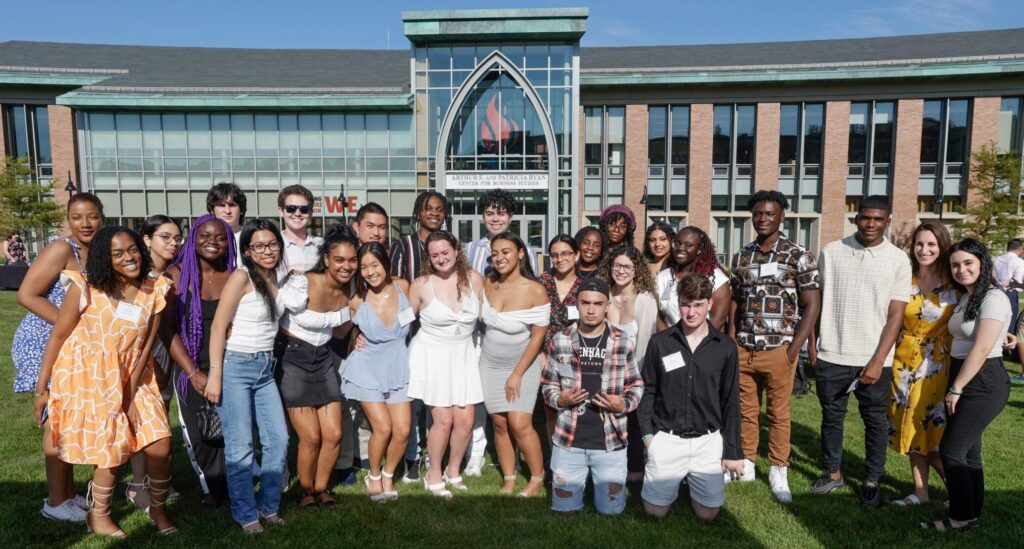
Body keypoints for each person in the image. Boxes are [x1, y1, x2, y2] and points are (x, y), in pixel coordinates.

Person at [33, 226, 176, 537]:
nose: (129, 257)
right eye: (118, 254)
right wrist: (43, 388)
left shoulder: (156, 288)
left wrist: (127, 393)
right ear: (104, 258)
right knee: (110, 446)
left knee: (161, 443)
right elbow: (59, 335)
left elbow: (147, 346)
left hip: (135, 375)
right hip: (89, 375)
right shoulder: (86, 287)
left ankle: (158, 509)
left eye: (132, 249)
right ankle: (99, 515)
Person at [811, 195, 910, 507]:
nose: (871, 224)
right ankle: (832, 474)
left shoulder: (898, 259)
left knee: (876, 420)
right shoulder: (831, 252)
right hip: (832, 353)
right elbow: (817, 301)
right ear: (855, 218)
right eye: (866, 218)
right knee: (832, 417)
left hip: (875, 358)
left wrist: (878, 360)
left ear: (888, 221)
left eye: (878, 219)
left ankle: (871, 480)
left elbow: (896, 314)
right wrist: (814, 348)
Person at [13, 192, 103, 522]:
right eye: (77, 217)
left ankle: (66, 494)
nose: (85, 223)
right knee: (55, 419)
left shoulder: (96, 252)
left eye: (91, 216)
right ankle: (55, 501)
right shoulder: (61, 249)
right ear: (68, 219)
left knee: (65, 416)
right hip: (44, 339)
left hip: (70, 342)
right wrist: (70, 324)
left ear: (101, 217)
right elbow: (26, 294)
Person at [728, 191, 821, 502]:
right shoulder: (742, 256)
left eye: (769, 213)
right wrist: (731, 338)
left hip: (779, 348)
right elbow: (735, 302)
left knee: (778, 413)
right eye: (758, 213)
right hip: (744, 346)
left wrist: (794, 349)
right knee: (746, 411)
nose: (763, 218)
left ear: (782, 217)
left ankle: (779, 469)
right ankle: (749, 463)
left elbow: (812, 305)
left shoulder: (798, 255)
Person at [921, 238, 1012, 532]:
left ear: (983, 263)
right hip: (965, 374)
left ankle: (961, 517)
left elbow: (982, 348)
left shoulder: (992, 297)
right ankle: (971, 506)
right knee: (969, 451)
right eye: (956, 265)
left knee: (952, 450)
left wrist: (957, 387)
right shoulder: (967, 297)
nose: (961, 270)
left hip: (983, 380)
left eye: (968, 263)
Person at [205, 219, 288, 534]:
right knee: (240, 448)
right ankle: (245, 513)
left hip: (266, 367)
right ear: (248, 251)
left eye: (272, 244)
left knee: (278, 440)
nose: (267, 251)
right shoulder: (241, 277)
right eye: (259, 246)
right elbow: (218, 326)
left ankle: (269, 506)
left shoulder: (278, 276)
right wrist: (215, 375)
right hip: (237, 366)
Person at [639, 273, 743, 520]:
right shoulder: (660, 343)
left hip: (707, 442)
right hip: (666, 438)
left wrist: (732, 451)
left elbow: (731, 401)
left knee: (708, 515)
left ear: (710, 304)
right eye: (686, 304)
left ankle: (692, 481)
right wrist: (648, 438)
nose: (691, 312)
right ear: (678, 303)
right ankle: (671, 480)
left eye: (698, 305)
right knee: (654, 513)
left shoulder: (725, 346)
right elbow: (647, 391)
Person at [541, 277, 643, 515]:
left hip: (610, 442)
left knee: (611, 511)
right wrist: (560, 400)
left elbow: (636, 385)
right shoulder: (561, 339)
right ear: (576, 304)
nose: (591, 309)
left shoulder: (622, 340)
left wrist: (623, 404)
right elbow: (547, 384)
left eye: (598, 304)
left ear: (607, 305)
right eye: (585, 303)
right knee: (564, 510)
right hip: (569, 440)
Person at [278, 226, 357, 508]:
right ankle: (306, 491)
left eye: (351, 260)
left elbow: (338, 333)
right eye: (339, 259)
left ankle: (322, 488)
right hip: (293, 357)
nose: (346, 266)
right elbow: (274, 313)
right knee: (310, 436)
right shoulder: (303, 282)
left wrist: (355, 325)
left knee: (334, 433)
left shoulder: (351, 290)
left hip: (323, 358)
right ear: (326, 259)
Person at [463, 190, 537, 476]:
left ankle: (514, 456)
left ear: (511, 216)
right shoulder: (470, 249)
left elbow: (531, 291)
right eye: (490, 213)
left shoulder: (525, 251)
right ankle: (477, 452)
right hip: (479, 334)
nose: (495, 218)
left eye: (501, 213)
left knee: (513, 396)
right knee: (480, 395)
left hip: (514, 336)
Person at [407, 230, 484, 499]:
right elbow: (401, 321)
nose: (441, 258)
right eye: (435, 255)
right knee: (443, 419)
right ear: (429, 258)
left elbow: (488, 316)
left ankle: (454, 471)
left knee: (465, 420)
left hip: (463, 355)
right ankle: (434, 473)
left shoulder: (475, 279)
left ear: (456, 250)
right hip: (432, 356)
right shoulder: (420, 285)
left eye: (445, 252)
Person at [166, 214, 235, 508]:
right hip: (190, 364)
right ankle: (214, 489)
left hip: (230, 365)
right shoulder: (177, 276)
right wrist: (193, 372)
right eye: (205, 236)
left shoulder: (235, 276)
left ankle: (235, 483)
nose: (213, 242)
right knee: (201, 433)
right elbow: (167, 330)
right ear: (193, 238)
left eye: (220, 237)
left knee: (232, 429)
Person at [888, 221, 956, 506]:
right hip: (903, 363)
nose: (924, 250)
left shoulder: (954, 281)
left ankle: (961, 492)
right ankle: (920, 492)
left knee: (933, 434)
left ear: (942, 246)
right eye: (919, 243)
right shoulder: (905, 278)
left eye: (931, 244)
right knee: (911, 427)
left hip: (937, 366)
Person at [341, 242, 413, 502]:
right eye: (364, 268)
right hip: (367, 367)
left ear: (385, 263)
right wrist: (355, 336)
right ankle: (373, 475)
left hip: (398, 365)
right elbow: (342, 330)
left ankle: (388, 473)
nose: (371, 272)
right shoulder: (356, 300)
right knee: (382, 428)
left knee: (403, 429)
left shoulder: (404, 287)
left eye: (375, 265)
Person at [480, 231, 550, 497]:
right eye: (495, 253)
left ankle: (537, 477)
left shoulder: (535, 290)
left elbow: (538, 336)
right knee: (499, 422)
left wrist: (517, 374)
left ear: (521, 253)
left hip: (522, 364)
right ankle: (509, 477)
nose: (499, 258)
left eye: (506, 252)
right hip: (489, 364)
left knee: (520, 423)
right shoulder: (487, 283)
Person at [390, 190, 449, 484]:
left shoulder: (449, 246)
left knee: (437, 401)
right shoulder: (404, 245)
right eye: (428, 208)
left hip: (442, 337)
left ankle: (433, 454)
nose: (434, 213)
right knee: (412, 400)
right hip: (411, 335)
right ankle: (411, 456)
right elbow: (396, 288)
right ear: (418, 212)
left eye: (440, 209)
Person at [127, 215, 185, 510]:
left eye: (177, 238)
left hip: (164, 348)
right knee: (136, 416)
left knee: (160, 411)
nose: (173, 243)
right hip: (133, 350)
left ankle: (157, 478)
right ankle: (138, 484)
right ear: (147, 239)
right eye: (165, 237)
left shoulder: (174, 276)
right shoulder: (134, 272)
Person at [597, 245, 658, 481]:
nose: (621, 271)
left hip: (635, 373)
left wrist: (638, 380)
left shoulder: (644, 300)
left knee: (633, 425)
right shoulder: (604, 296)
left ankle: (635, 470)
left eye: (627, 266)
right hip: (605, 374)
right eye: (617, 265)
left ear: (636, 271)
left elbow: (647, 341)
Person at [538, 234, 584, 439]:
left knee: (576, 406)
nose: (560, 259)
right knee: (551, 407)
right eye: (555, 255)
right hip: (545, 355)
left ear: (576, 256)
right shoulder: (541, 283)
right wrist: (540, 354)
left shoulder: (586, 286)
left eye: (566, 253)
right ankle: (554, 457)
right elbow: (532, 322)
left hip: (577, 356)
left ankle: (575, 454)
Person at [656, 226, 731, 330]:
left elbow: (718, 320)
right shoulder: (663, 277)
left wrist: (694, 342)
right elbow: (657, 317)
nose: (680, 248)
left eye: (689, 245)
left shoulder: (716, 278)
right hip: (669, 341)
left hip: (705, 342)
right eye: (677, 243)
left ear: (699, 249)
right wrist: (669, 341)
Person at [277, 185, 323, 277]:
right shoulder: (272, 246)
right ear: (281, 211)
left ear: (311, 213)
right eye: (291, 209)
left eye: (304, 209)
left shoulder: (322, 245)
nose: (297, 213)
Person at [207, 182, 246, 252]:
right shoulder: (204, 241)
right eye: (221, 205)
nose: (227, 211)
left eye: (232, 205)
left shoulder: (250, 238)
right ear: (212, 210)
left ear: (241, 210)